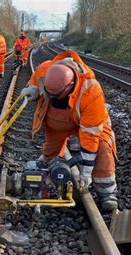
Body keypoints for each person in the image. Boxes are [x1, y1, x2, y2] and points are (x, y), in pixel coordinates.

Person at [20, 50, 118, 211]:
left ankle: (107, 193)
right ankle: (42, 176)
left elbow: (90, 136)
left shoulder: (91, 92)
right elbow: (36, 79)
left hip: (89, 122)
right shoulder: (47, 69)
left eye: (57, 95)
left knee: (102, 147)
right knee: (49, 154)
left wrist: (86, 173)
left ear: (71, 85)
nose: (53, 98)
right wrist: (33, 88)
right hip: (58, 120)